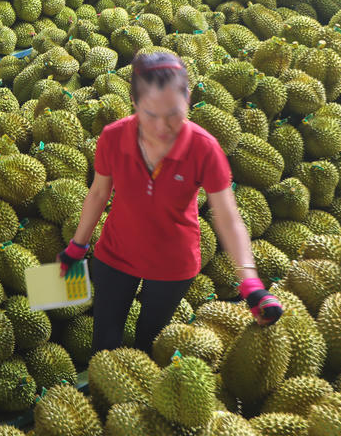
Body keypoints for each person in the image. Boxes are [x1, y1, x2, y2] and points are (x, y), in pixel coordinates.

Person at [58, 51, 283, 356]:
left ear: (188, 98)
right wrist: (77, 247)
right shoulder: (112, 137)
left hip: (172, 263)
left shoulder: (204, 148)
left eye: (174, 113)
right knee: (104, 342)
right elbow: (98, 193)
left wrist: (250, 283)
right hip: (115, 253)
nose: (164, 127)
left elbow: (227, 216)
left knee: (151, 343)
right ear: (135, 104)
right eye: (151, 115)